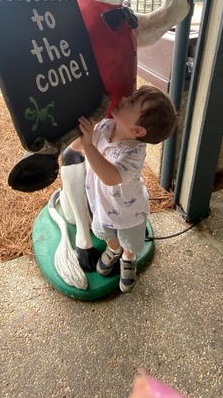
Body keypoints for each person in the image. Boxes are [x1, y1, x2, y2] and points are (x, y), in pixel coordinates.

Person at [71, 85, 177, 293]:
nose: (126, 98)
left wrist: (90, 146)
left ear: (137, 130)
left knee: (130, 240)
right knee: (105, 231)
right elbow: (76, 147)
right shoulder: (104, 127)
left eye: (133, 102)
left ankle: (128, 258)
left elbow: (110, 177)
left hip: (129, 212)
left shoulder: (134, 153)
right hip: (101, 204)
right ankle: (113, 249)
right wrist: (83, 134)